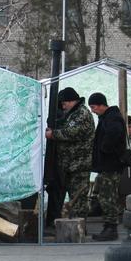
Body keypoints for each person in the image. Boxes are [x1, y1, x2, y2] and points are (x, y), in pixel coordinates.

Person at [44, 87, 94, 220]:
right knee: (74, 197)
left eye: (64, 103)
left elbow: (71, 133)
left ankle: (79, 228)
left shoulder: (82, 114)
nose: (63, 106)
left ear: (72, 101)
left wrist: (52, 134)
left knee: (78, 199)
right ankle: (74, 226)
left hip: (79, 164)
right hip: (72, 164)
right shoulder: (74, 113)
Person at [87, 93, 126, 241]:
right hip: (107, 165)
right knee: (103, 195)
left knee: (107, 197)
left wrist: (104, 149)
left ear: (102, 104)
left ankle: (111, 228)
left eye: (94, 107)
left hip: (111, 165)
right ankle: (108, 226)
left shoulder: (112, 118)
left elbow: (113, 135)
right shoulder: (107, 118)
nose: (92, 110)